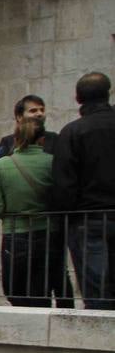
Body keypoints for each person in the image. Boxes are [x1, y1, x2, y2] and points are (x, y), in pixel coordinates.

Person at [0, 117, 71, 307]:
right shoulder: (53, 163)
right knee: (42, 290)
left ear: (15, 139)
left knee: (15, 290)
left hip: (15, 234)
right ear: (42, 140)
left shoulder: (0, 167)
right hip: (49, 232)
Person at [52, 71, 115, 309]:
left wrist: (64, 217)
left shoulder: (72, 132)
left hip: (88, 219)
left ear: (78, 98)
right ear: (108, 94)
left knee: (96, 288)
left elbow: (64, 183)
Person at [0, 94, 59, 160]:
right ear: (19, 117)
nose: (40, 114)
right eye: (33, 111)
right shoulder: (7, 142)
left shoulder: (54, 139)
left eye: (42, 110)